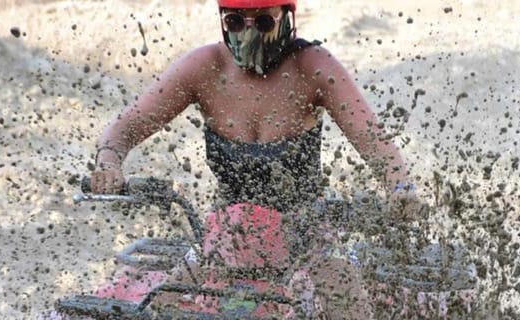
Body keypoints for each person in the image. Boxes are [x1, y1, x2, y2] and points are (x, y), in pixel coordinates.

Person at [89, 0, 424, 316]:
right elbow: (126, 126)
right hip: (225, 234)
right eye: (235, 21)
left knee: (345, 298)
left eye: (263, 22)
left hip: (305, 232)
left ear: (287, 18)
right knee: (162, 303)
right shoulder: (203, 68)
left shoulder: (314, 67)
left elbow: (372, 138)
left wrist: (399, 188)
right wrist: (109, 162)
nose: (248, 33)